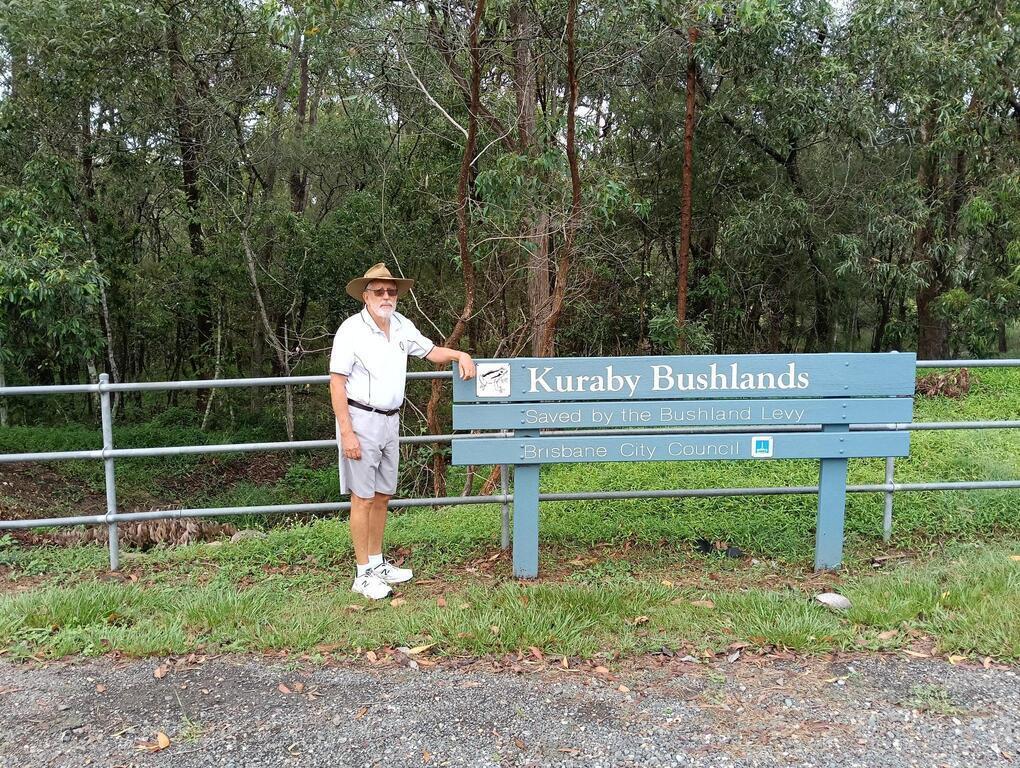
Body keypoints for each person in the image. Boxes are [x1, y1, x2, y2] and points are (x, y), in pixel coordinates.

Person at [329, 263, 476, 600]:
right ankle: (363, 574)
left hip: (390, 420)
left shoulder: (400, 325)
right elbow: (337, 384)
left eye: (391, 291)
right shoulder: (351, 330)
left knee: (382, 495)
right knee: (362, 498)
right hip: (360, 419)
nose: (386, 296)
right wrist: (347, 432)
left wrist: (460, 354)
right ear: (366, 295)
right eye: (379, 291)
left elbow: (431, 351)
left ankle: (377, 562)